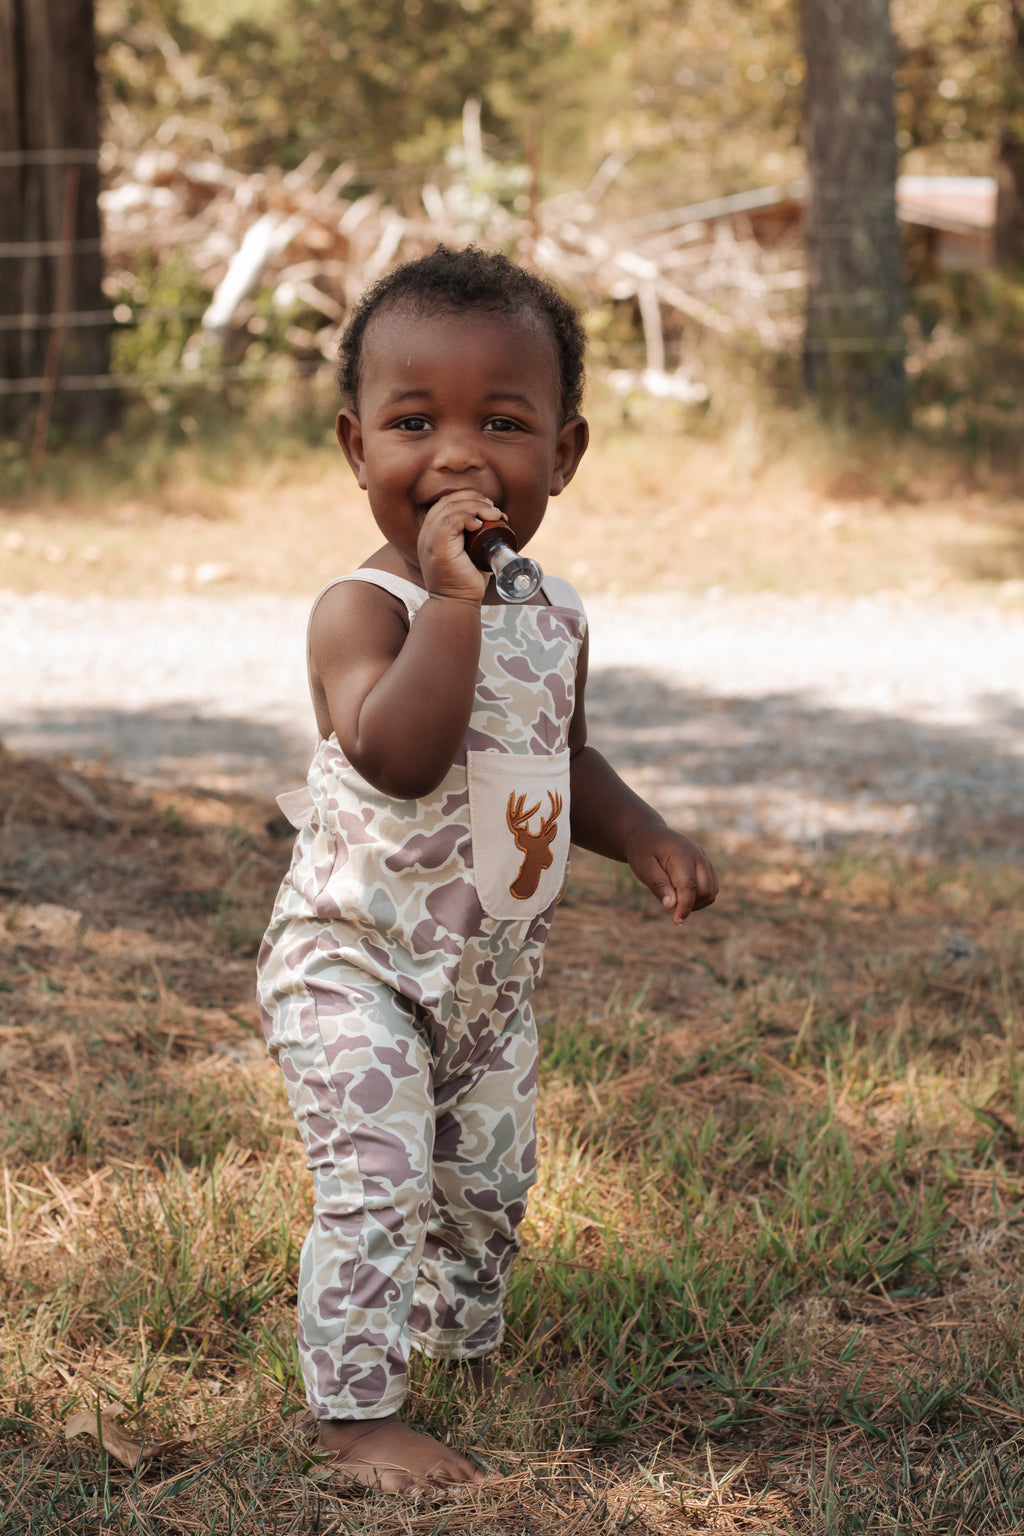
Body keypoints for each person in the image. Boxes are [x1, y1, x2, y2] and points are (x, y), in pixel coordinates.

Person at [256, 244, 718, 1495]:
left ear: (563, 456)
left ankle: (452, 1338)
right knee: (379, 1176)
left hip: (486, 977)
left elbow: (560, 755)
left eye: (499, 422)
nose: (457, 456)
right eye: (416, 422)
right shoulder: (361, 612)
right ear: (358, 448)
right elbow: (399, 754)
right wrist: (452, 606)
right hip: (354, 961)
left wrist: (641, 834)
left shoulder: (553, 613)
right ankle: (356, 1416)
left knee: (488, 1182)